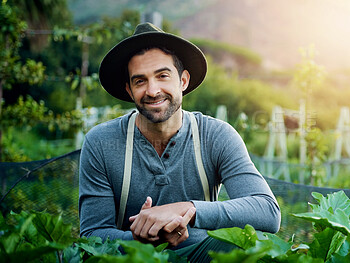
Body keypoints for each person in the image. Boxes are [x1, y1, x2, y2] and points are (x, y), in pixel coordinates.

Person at [79, 22, 281, 262]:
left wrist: (188, 209)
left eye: (162, 76)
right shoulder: (101, 142)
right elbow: (93, 236)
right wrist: (143, 239)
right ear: (129, 90)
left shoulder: (216, 135)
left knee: (256, 244)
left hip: (201, 255)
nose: (153, 90)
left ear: (183, 81)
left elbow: (267, 210)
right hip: (134, 257)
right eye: (140, 81)